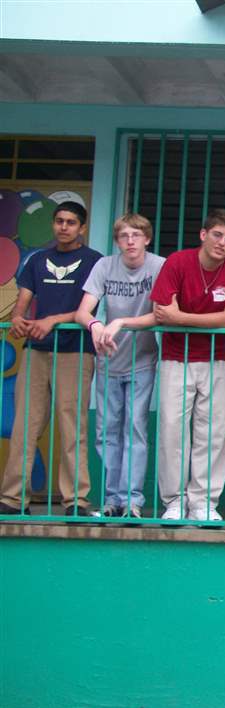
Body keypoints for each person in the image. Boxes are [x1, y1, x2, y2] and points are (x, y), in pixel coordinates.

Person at [0, 201, 101, 516]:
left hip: (75, 350)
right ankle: (13, 499)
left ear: (82, 227)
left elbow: (87, 309)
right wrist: (18, 318)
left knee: (73, 428)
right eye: (59, 221)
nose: (63, 227)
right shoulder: (37, 259)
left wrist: (52, 321)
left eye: (71, 222)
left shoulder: (94, 261)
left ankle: (75, 500)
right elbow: (23, 299)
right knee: (24, 426)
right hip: (36, 351)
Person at [150, 208, 225, 522]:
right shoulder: (178, 261)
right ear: (203, 234)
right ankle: (174, 501)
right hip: (176, 358)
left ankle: (204, 502)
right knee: (172, 432)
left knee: (213, 435)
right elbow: (162, 311)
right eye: (217, 235)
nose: (223, 243)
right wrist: (185, 319)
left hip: (221, 359)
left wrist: (180, 317)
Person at [73, 213, 165, 519]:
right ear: (117, 241)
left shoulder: (159, 266)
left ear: (147, 239)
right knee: (106, 432)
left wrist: (121, 322)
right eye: (124, 236)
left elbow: (160, 314)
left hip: (142, 359)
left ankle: (132, 500)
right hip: (108, 359)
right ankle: (112, 500)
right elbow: (83, 311)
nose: (130, 241)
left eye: (136, 235)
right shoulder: (104, 266)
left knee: (135, 428)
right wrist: (96, 325)